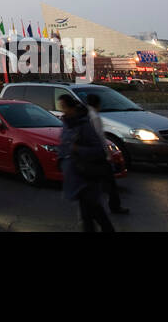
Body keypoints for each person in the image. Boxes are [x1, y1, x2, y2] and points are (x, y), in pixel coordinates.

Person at [57, 95, 115, 232]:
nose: (62, 111)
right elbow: (64, 145)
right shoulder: (67, 124)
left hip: (86, 175)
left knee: (92, 210)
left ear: (72, 108)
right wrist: (61, 160)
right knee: (89, 212)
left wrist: (77, 149)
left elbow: (97, 149)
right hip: (75, 174)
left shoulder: (84, 125)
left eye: (63, 107)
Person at [83, 92, 128, 215]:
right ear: (97, 104)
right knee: (109, 183)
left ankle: (89, 208)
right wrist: (108, 154)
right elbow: (100, 136)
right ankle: (114, 206)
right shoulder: (95, 116)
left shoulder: (85, 115)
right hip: (99, 154)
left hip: (88, 154)